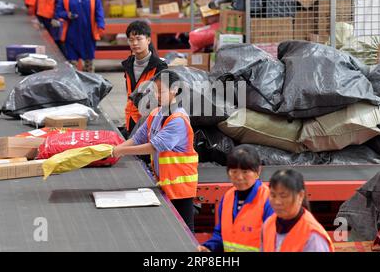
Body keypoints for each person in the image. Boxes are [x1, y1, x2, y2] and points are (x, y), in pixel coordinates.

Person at [112, 70, 198, 232]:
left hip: (181, 188)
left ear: (174, 90)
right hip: (164, 183)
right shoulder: (156, 114)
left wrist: (120, 152)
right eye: (155, 91)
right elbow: (138, 138)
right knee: (170, 229)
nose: (157, 95)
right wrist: (116, 149)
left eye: (161, 91)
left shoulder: (178, 120)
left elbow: (154, 146)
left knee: (185, 232)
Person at [197, 145, 274, 252]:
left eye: (245, 172)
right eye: (234, 172)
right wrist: (209, 247)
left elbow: (274, 242)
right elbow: (221, 233)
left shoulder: (269, 201)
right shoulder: (228, 197)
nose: (239, 177)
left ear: (258, 171)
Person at [262, 169, 335, 252]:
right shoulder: (268, 225)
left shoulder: (313, 236)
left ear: (300, 195)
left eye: (283, 196)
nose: (277, 202)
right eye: (273, 195)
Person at [55, 0, 105, 73]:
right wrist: (67, 14)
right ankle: (73, 86)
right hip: (72, 34)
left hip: (88, 34)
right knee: (72, 64)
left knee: (89, 64)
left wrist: (100, 26)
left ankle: (90, 85)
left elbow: (99, 11)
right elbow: (58, 11)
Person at [122, 21, 167, 135]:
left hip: (149, 121)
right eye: (131, 40)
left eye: (138, 39)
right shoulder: (127, 64)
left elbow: (163, 98)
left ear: (148, 40)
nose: (135, 43)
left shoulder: (159, 66)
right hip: (130, 118)